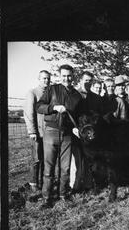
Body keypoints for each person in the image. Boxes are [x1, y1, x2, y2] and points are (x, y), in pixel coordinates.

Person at [36, 64, 83, 208]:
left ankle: (63, 194)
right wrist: (53, 108)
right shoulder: (52, 89)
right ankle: (46, 198)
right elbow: (39, 106)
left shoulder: (77, 95)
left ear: (73, 76)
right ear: (60, 76)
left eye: (69, 75)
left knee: (66, 168)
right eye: (64, 75)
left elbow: (79, 116)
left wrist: (77, 128)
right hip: (51, 132)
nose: (67, 78)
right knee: (49, 168)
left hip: (68, 135)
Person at [23, 70, 50, 193]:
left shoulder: (49, 93)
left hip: (48, 132)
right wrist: (32, 131)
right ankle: (33, 183)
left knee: (45, 158)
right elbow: (29, 113)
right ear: (39, 79)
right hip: (37, 132)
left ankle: (42, 182)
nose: (46, 81)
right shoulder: (32, 93)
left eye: (48, 78)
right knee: (36, 158)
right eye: (44, 78)